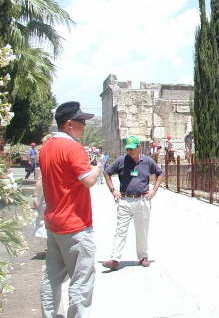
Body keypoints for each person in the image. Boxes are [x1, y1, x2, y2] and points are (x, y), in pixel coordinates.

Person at [39, 101, 101, 318]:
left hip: (54, 223)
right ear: (68, 124)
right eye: (81, 121)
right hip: (75, 225)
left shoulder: (46, 147)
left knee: (52, 277)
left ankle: (50, 314)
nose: (84, 125)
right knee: (82, 280)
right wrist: (97, 167)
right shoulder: (73, 147)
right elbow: (88, 180)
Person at [103, 136, 163, 271]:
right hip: (125, 201)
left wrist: (154, 190)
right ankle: (114, 259)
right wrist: (113, 190)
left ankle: (143, 257)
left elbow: (160, 173)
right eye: (128, 148)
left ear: (138, 147)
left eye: (132, 148)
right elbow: (107, 173)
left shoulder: (147, 161)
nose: (129, 151)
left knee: (142, 230)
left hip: (142, 200)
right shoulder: (121, 161)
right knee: (120, 230)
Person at [32, 134, 53, 240]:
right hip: (61, 194)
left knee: (44, 217)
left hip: (47, 193)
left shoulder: (44, 158)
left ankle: (50, 244)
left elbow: (40, 179)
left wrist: (35, 196)